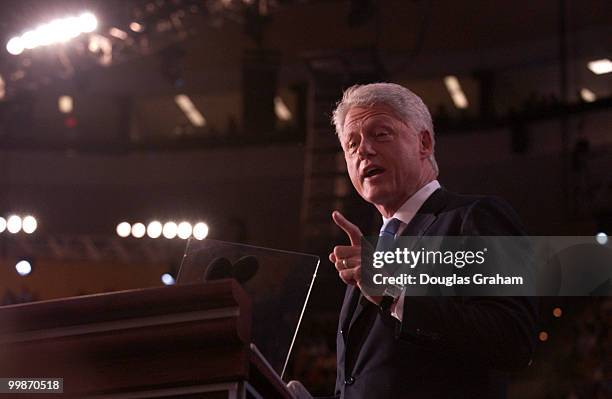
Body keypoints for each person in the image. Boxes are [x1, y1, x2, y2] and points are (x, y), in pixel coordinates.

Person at [288, 83, 537, 399]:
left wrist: (393, 292)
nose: (363, 150)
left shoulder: (475, 218)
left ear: (424, 142)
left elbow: (513, 340)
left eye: (380, 134)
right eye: (351, 144)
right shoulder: (371, 252)